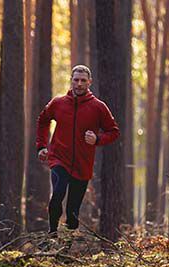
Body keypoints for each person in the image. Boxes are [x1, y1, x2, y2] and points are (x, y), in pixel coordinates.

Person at [36, 65, 120, 233]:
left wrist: (97, 139)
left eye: (83, 80)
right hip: (59, 158)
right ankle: (52, 236)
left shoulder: (98, 107)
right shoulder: (58, 103)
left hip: (82, 164)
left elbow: (113, 132)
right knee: (57, 194)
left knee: (72, 212)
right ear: (71, 81)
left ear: (90, 82)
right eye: (76, 80)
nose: (79, 84)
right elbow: (43, 120)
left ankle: (64, 251)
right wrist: (42, 146)